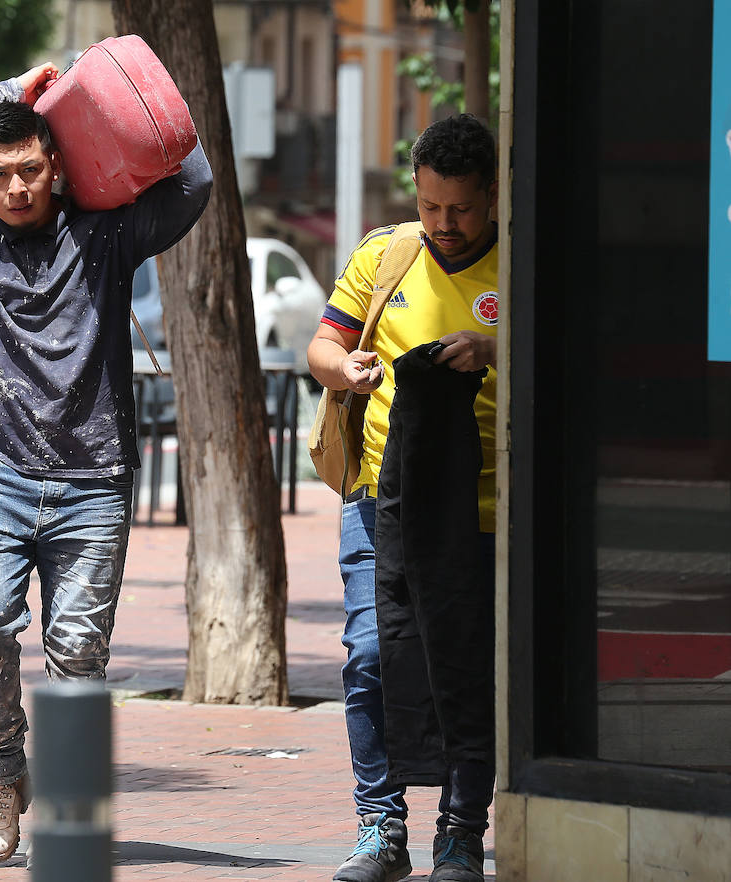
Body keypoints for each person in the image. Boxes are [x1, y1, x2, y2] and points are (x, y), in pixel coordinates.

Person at [0, 63, 211, 863]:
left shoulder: (107, 234)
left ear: (58, 166)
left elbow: (193, 180)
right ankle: (3, 777)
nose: (15, 188)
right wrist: (9, 92)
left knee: (76, 651)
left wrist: (121, 101)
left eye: (31, 169)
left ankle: (71, 816)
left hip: (93, 479)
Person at [306, 114, 499, 882]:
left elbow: (568, 357)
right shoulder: (386, 254)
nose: (444, 225)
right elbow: (322, 344)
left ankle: (461, 833)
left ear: (492, 196)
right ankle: (381, 827)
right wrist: (342, 370)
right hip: (377, 497)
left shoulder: (521, 266)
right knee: (371, 656)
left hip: (484, 504)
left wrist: (497, 350)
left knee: (464, 666)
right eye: (430, 207)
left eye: (460, 209)